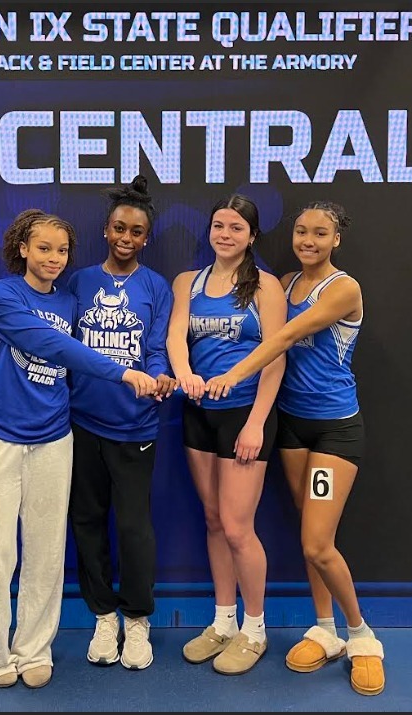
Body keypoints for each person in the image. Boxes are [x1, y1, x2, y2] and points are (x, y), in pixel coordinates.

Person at [203, 201, 385, 696]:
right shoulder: (283, 284)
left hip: (334, 431)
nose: (308, 240)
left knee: (317, 543)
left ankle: (361, 636)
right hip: (292, 428)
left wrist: (232, 375)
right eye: (301, 231)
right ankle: (324, 629)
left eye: (320, 233)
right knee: (309, 530)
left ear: (336, 240)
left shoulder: (343, 289)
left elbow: (284, 336)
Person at [0, 209, 157, 690]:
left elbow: (70, 349)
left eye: (62, 250)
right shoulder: (1, 294)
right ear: (22, 249)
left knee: (46, 554)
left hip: (54, 438)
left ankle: (34, 650)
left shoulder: (71, 301)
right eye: (44, 248)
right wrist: (122, 372)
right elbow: (52, 345)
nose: (54, 258)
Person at [166, 194, 286, 676]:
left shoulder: (266, 287)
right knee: (214, 521)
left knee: (238, 527)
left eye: (236, 228)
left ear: (252, 236)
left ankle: (255, 630)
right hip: (199, 414)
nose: (225, 234)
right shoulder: (187, 282)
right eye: (219, 225)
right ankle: (223, 622)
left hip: (245, 416)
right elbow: (176, 336)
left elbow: (275, 357)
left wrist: (256, 422)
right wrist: (185, 374)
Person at [66, 175, 176, 670]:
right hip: (82, 423)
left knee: (134, 527)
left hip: (135, 427)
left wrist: (159, 377)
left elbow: (157, 347)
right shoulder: (79, 281)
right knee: (87, 521)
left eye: (136, 231)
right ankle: (103, 616)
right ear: (105, 230)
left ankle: (136, 619)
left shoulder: (155, 287)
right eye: (119, 228)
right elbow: (52, 333)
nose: (126, 238)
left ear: (146, 238)